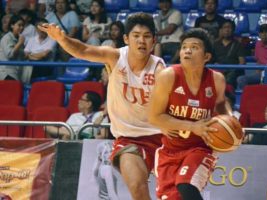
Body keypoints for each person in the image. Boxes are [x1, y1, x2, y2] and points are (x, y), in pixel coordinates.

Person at [38, 12, 165, 200]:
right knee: (138, 188)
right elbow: (84, 50)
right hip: (129, 139)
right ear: (126, 39)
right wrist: (62, 39)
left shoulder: (159, 68)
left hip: (161, 137)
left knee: (175, 192)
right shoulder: (114, 57)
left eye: (146, 36)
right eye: (136, 36)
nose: (141, 41)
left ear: (154, 41)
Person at [148, 29, 232, 200]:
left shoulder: (216, 80)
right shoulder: (168, 76)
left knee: (187, 185)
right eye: (184, 47)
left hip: (201, 147)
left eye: (194, 47)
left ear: (206, 57)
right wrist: (192, 126)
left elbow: (222, 105)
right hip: (170, 150)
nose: (187, 50)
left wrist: (230, 121)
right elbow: (154, 116)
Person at [237, 24, 267, 90]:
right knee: (241, 79)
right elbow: (258, 60)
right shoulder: (258, 44)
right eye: (262, 32)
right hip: (261, 74)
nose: (264, 34)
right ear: (259, 34)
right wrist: (258, 72)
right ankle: (251, 97)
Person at [213, 19, 246, 88]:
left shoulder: (238, 45)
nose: (227, 30)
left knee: (231, 76)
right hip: (218, 71)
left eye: (229, 27)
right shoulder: (215, 44)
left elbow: (242, 62)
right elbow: (210, 60)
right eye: (225, 27)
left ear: (233, 30)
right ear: (221, 30)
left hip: (233, 72)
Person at [23, 18, 57, 83]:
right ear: (36, 28)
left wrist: (30, 55)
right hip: (31, 66)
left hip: (46, 67)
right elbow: (25, 55)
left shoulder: (53, 39)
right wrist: (37, 55)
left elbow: (44, 55)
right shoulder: (31, 40)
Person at [0, 15, 25, 80]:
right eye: (19, 25)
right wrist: (19, 43)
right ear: (12, 25)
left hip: (16, 72)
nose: (21, 28)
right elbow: (10, 55)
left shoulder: (19, 38)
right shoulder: (7, 38)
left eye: (23, 26)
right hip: (6, 73)